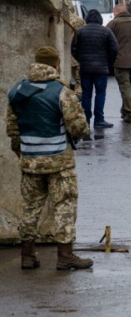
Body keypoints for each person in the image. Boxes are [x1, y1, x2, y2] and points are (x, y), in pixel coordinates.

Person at [6, 47, 92, 270]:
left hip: (30, 160)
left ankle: (27, 255)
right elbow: (79, 127)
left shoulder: (17, 90)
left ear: (36, 64)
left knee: (30, 207)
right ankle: (65, 256)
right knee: (64, 205)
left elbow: (12, 129)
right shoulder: (62, 92)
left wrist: (23, 152)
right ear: (56, 65)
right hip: (59, 161)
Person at [72, 9, 119, 128]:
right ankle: (99, 120)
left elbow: (73, 49)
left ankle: (86, 119)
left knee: (86, 94)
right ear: (100, 19)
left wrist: (81, 60)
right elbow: (114, 48)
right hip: (101, 69)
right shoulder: (106, 31)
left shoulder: (80, 32)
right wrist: (108, 62)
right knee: (100, 93)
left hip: (85, 69)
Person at [61, 0, 85, 97]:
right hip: (76, 55)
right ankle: (77, 99)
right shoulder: (78, 20)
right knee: (79, 82)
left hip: (62, 55)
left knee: (64, 80)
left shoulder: (59, 18)